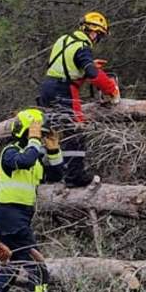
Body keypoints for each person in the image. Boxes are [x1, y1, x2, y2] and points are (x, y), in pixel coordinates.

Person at [0, 108, 63, 292]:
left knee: (12, 268)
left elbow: (55, 175)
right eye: (37, 131)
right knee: (38, 269)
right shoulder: (10, 152)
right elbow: (23, 161)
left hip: (19, 217)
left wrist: (53, 150)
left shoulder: (33, 158)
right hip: (10, 216)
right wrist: (34, 140)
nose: (40, 136)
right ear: (27, 130)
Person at [37, 10, 119, 188]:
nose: (97, 40)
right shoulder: (82, 47)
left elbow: (65, 67)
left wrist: (86, 66)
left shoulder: (64, 40)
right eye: (99, 36)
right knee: (76, 133)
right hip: (64, 90)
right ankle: (75, 176)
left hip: (48, 87)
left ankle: (47, 175)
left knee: (50, 134)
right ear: (94, 32)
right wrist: (111, 89)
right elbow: (93, 74)